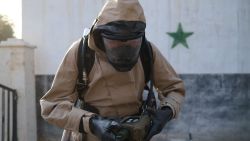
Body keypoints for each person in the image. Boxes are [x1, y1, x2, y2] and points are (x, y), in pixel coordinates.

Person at [40, 0, 185, 141]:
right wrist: (93, 123)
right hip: (90, 136)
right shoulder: (81, 52)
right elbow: (52, 106)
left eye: (132, 41)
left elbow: (174, 89)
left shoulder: (147, 51)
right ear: (100, 36)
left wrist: (165, 113)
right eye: (116, 41)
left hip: (135, 135)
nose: (124, 49)